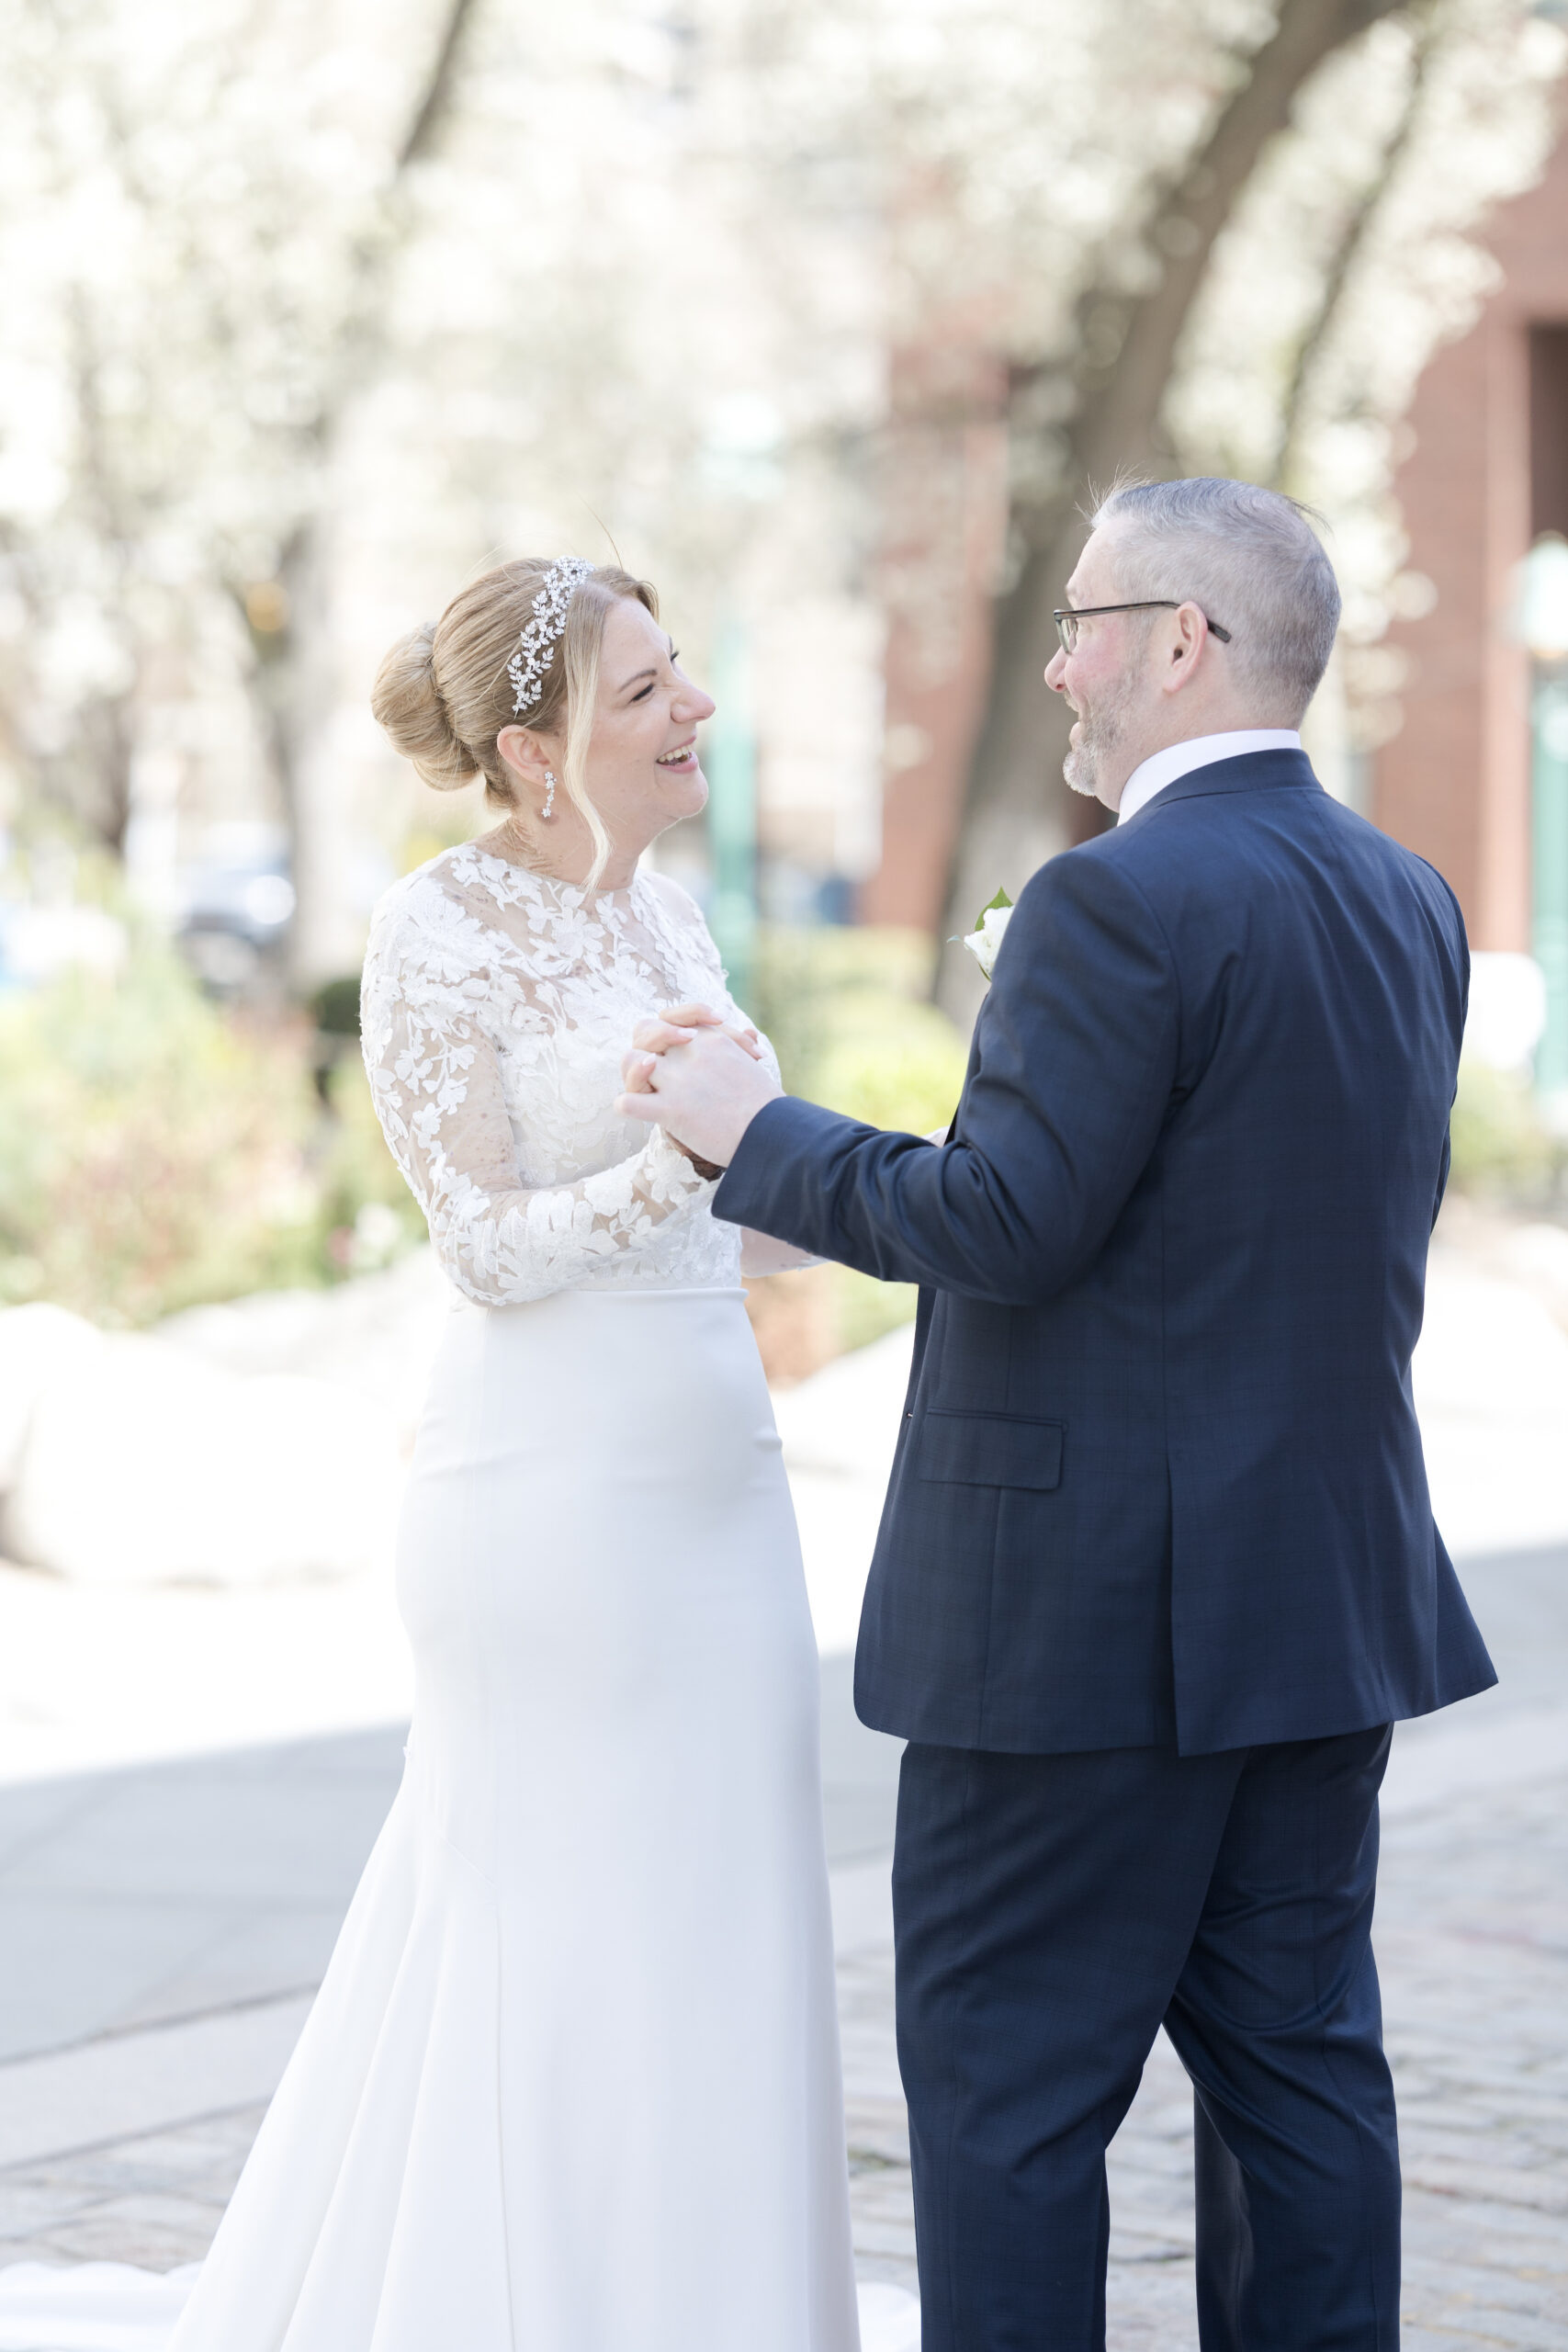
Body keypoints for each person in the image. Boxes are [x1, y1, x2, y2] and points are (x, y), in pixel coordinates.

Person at [617, 479, 1498, 2352]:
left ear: (1176, 642)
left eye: (1080, 622)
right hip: (1312, 1603)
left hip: (1081, 1630)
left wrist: (750, 1137)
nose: (1056, 663)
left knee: (1009, 2100)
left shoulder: (1115, 899)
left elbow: (1000, 1220)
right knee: (1298, 2080)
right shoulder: (1400, 891)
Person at [0, 558, 913, 2351]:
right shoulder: (437, 928)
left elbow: (733, 1211)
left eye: (680, 676)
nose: (694, 709)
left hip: (717, 1491)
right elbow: (485, 1245)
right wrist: (685, 1157)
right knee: (557, 1919)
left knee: (717, 1906)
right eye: (649, 686)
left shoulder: (672, 923)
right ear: (536, 745)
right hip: (547, 1504)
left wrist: (857, 1202)